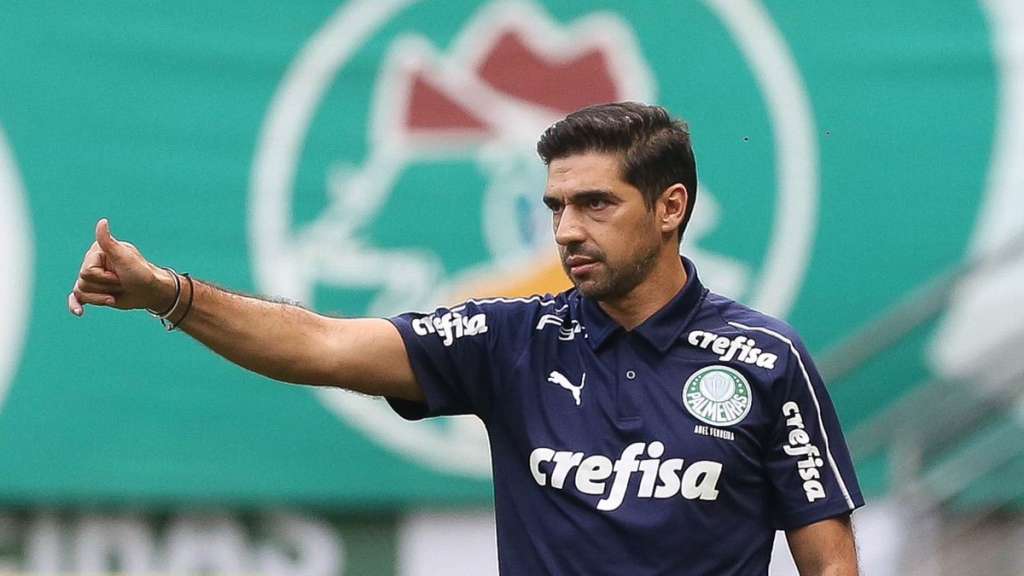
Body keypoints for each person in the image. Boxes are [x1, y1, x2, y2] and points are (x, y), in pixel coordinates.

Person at [69, 102, 863, 575]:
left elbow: (829, 561)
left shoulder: (767, 359)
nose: (566, 230)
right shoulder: (510, 337)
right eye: (554, 207)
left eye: (595, 204)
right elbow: (321, 346)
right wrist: (167, 293)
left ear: (671, 207)